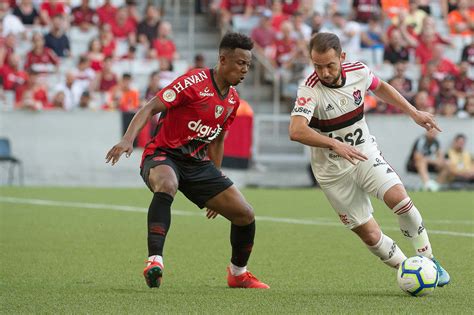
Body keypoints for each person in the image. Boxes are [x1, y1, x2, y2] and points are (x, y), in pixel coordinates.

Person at [105, 32, 269, 289]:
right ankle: (154, 261)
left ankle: (238, 274)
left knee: (245, 214)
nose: (245, 70)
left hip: (197, 164)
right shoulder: (193, 81)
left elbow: (217, 141)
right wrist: (128, 139)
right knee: (167, 184)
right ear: (223, 60)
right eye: (240, 63)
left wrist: (217, 184)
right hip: (163, 154)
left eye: (248, 65)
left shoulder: (233, 100)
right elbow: (150, 107)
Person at [288, 32, 450, 286]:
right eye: (317, 66)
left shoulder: (359, 72)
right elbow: (296, 130)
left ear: (342, 57)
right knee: (370, 234)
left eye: (329, 65)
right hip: (332, 171)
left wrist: (413, 112)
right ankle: (408, 267)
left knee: (400, 199)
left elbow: (381, 87)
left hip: (364, 153)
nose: (324, 72)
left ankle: (429, 262)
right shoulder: (309, 90)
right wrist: (334, 144)